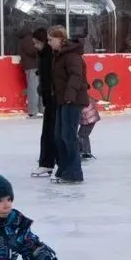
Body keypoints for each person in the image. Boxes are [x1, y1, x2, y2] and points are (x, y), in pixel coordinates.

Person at [47, 26, 88, 184]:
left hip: (73, 100)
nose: (49, 43)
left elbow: (76, 76)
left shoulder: (72, 55)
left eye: (51, 40)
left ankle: (74, 172)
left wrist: (70, 95)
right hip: (62, 99)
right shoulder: (59, 55)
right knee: (59, 136)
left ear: (60, 39)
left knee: (68, 136)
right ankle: (63, 169)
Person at [31, 29, 58, 177]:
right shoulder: (43, 54)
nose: (35, 46)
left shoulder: (51, 55)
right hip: (49, 98)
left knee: (52, 132)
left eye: (37, 43)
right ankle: (47, 162)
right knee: (48, 132)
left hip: (55, 98)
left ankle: (48, 162)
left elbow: (53, 76)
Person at [19, 28, 43, 118]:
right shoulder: (28, 39)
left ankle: (39, 110)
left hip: (33, 66)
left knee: (37, 88)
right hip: (33, 67)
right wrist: (42, 48)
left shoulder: (26, 39)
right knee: (34, 89)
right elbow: (32, 51)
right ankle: (33, 111)